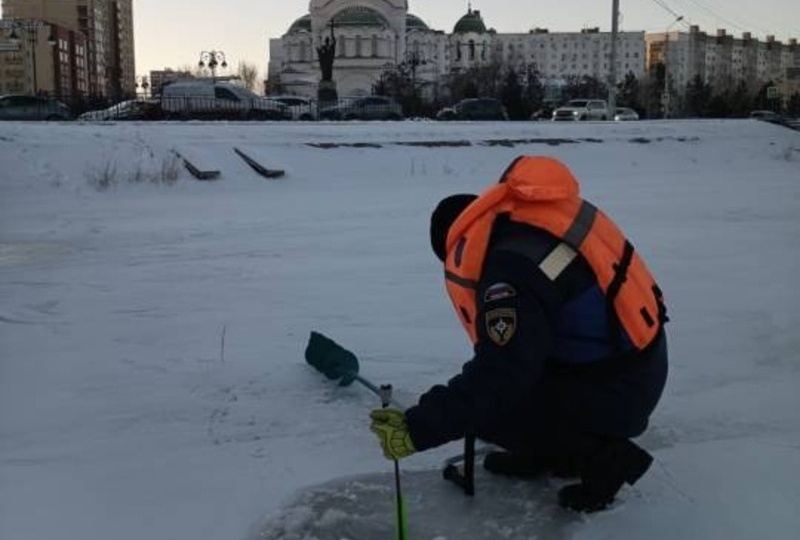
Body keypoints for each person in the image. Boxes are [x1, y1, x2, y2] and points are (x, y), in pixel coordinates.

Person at [370, 155, 669, 512]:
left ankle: (606, 458)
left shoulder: (511, 271)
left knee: (492, 409)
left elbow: (500, 376)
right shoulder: (529, 226)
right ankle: (546, 452)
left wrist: (417, 429)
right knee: (507, 385)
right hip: (628, 364)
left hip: (618, 388)